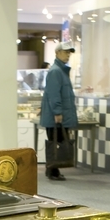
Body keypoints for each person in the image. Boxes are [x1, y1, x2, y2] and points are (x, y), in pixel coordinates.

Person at [40, 41, 78, 181]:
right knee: (55, 142)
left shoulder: (60, 70)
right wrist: (57, 112)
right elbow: (54, 93)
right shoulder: (56, 71)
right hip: (55, 115)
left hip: (57, 114)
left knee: (56, 141)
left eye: (69, 52)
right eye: (65, 52)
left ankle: (52, 169)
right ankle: (52, 170)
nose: (68, 55)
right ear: (57, 53)